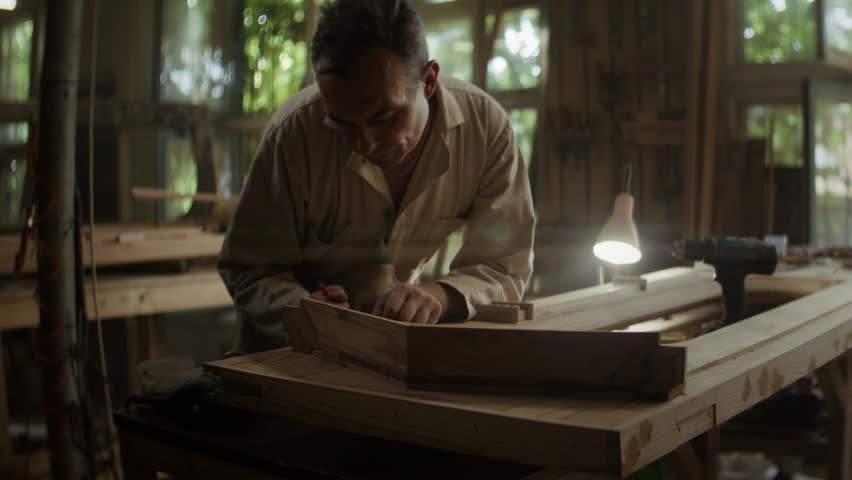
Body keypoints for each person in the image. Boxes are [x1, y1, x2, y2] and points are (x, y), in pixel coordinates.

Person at [218, 0, 535, 354]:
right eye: (341, 123)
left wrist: (439, 297)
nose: (364, 143)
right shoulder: (293, 136)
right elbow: (248, 268)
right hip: (285, 357)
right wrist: (303, 310)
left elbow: (503, 265)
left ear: (428, 80)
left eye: (384, 117)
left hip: (389, 353)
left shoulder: (486, 130)